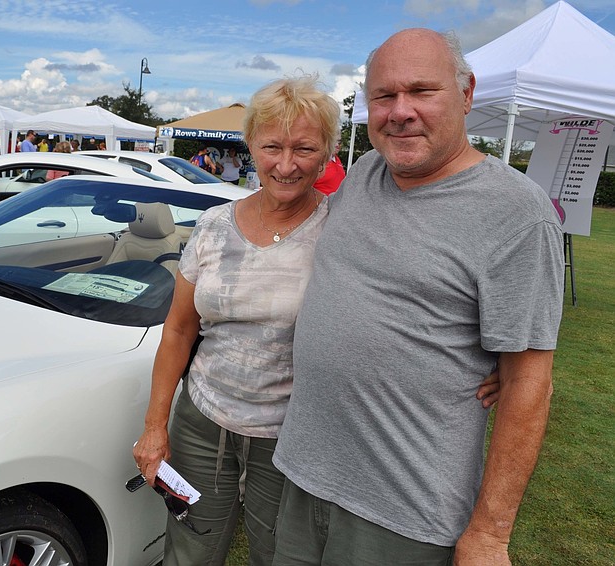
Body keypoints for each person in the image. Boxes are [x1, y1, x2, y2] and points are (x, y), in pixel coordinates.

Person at [132, 75, 503, 566]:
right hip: (201, 422)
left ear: (328, 152)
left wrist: (483, 353)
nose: (285, 165)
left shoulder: (343, 227)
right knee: (191, 546)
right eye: (271, 147)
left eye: (304, 148)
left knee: (276, 554)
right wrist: (155, 425)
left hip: (293, 439)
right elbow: (179, 328)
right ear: (250, 146)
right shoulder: (212, 227)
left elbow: (416, 287)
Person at [272, 29, 564, 565]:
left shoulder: (517, 214)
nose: (399, 112)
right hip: (303, 472)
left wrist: (491, 534)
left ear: (467, 93)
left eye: (422, 91)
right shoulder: (364, 174)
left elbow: (529, 379)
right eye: (383, 96)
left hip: (403, 510)